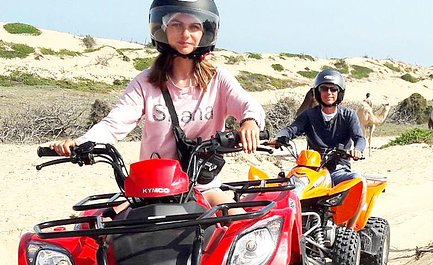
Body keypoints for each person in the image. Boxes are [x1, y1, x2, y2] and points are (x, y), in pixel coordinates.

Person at [50, 0, 265, 209]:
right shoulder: (145, 82)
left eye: (194, 26)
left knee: (237, 221)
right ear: (162, 29)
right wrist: (82, 143)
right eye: (176, 25)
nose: (185, 34)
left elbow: (249, 105)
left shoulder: (218, 80)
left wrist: (250, 123)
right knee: (103, 232)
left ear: (205, 32)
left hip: (203, 187)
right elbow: (114, 124)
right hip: (152, 189)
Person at [269, 69, 366, 185]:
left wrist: (357, 150)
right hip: (311, 166)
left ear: (339, 92)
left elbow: (359, 138)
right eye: (324, 88)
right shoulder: (309, 115)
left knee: (357, 181)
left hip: (338, 168)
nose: (329, 92)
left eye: (333, 89)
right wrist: (279, 138)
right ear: (318, 92)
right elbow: (291, 129)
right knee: (290, 185)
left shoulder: (349, 115)